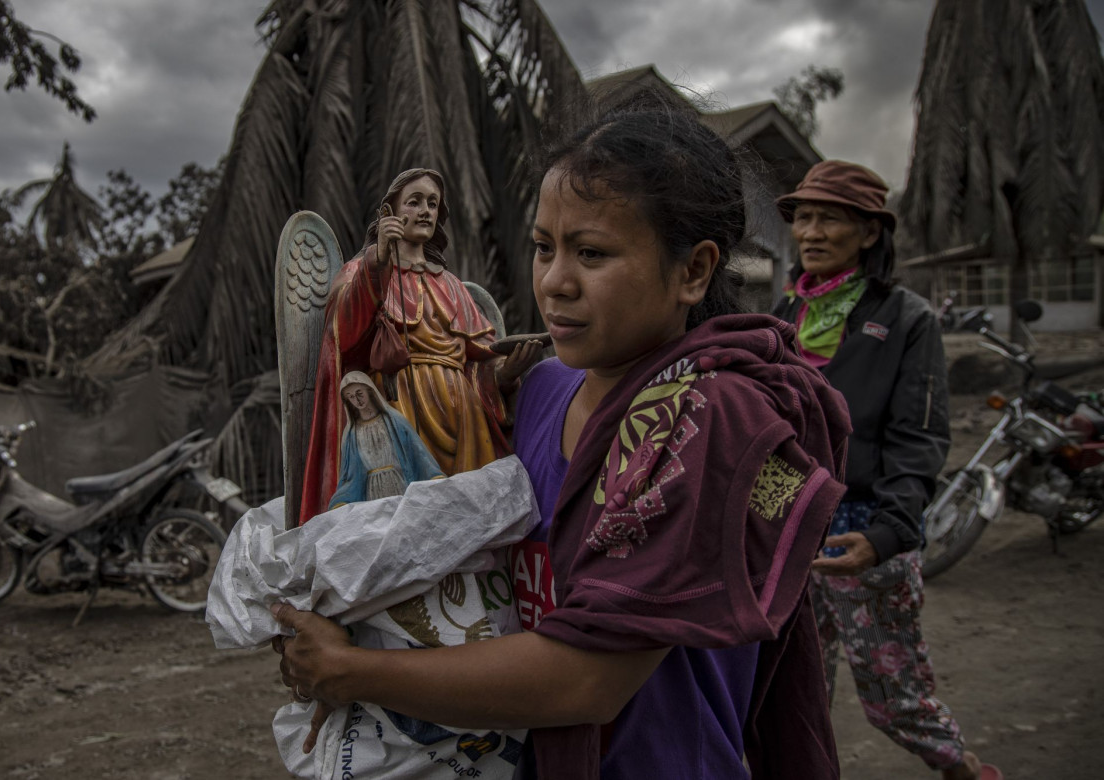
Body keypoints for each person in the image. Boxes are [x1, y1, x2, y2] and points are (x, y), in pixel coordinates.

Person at [271, 107, 854, 779]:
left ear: (693, 271)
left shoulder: (710, 421)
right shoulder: (541, 389)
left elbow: (589, 680)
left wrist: (354, 672)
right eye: (545, 247)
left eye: (593, 253)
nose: (553, 281)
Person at [771, 160, 1002, 780]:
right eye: (803, 217)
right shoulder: (785, 313)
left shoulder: (906, 319)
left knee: (894, 696)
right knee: (792, 694)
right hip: (790, 528)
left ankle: (963, 769)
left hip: (862, 529)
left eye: (830, 218)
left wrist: (888, 533)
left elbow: (920, 436)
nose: (810, 232)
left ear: (870, 233)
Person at [299, 168, 523, 524]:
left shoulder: (451, 285)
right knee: (408, 528)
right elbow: (341, 335)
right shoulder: (363, 269)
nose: (425, 211)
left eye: (432, 204)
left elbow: (481, 358)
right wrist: (380, 260)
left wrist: (508, 371)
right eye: (414, 202)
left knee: (467, 526)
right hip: (400, 408)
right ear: (389, 211)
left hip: (463, 417)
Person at [328, 371, 444, 509]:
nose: (357, 400)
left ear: (369, 391)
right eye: (351, 397)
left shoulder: (394, 420)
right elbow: (350, 473)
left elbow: (417, 451)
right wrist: (343, 498)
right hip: (371, 491)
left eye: (359, 393)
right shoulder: (351, 433)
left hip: (399, 482)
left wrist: (433, 475)